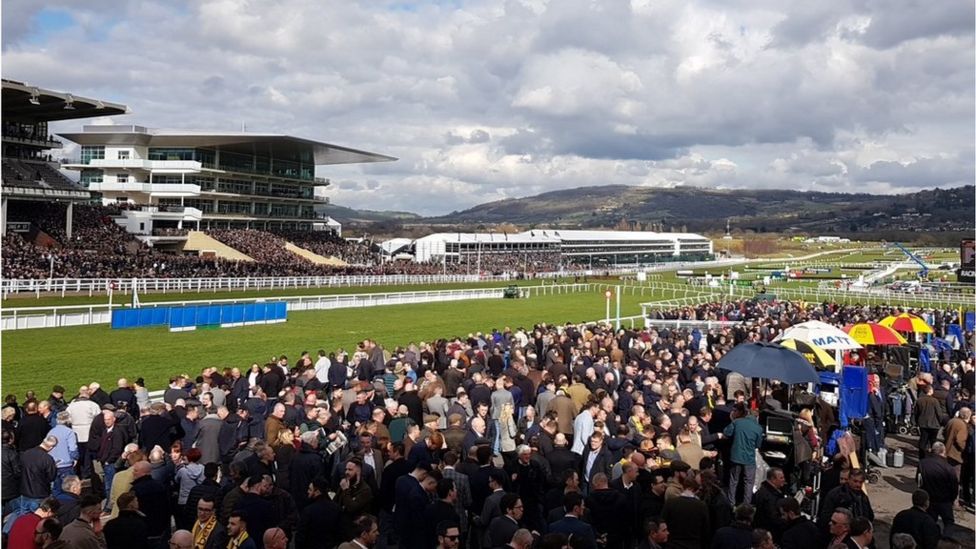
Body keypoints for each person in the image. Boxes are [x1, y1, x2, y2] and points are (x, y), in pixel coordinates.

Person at [723, 405, 763, 505]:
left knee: (733, 481)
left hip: (736, 457)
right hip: (749, 459)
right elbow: (758, 445)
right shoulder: (758, 428)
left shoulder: (737, 422)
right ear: (757, 418)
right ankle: (746, 506)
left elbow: (726, 432)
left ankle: (731, 503)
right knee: (749, 483)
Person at [660, 473, 709, 549]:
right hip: (693, 545)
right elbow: (705, 529)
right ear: (694, 489)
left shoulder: (670, 503)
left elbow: (662, 522)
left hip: (673, 544)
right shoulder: (701, 506)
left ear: (683, 486)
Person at [918, 442, 958, 528]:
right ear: (943, 452)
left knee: (930, 520)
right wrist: (952, 498)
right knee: (949, 521)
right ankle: (947, 537)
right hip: (944, 499)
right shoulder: (949, 468)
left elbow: (918, 480)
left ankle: (930, 535)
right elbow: (954, 486)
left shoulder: (922, 463)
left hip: (929, 497)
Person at [19, 434, 59, 513]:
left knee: (24, 518)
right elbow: (51, 477)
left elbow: (19, 470)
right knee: (37, 519)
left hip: (24, 492)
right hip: (40, 493)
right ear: (51, 447)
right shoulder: (47, 459)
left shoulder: (26, 453)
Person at [751, 468, 787, 542]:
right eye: (781, 478)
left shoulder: (763, 490)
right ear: (773, 479)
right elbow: (773, 517)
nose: (784, 479)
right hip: (769, 533)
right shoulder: (769, 497)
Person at [915, 385, 946, 460]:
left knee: (923, 441)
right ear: (930, 391)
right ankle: (933, 458)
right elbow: (939, 413)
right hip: (934, 424)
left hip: (923, 424)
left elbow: (916, 413)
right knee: (933, 442)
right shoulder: (934, 401)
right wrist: (941, 421)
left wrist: (917, 422)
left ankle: (921, 458)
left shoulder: (919, 400)